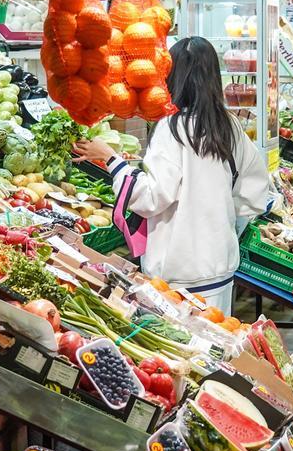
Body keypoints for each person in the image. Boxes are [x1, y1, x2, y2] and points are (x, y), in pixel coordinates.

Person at [71, 37, 270, 314]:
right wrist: (217, 217)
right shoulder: (230, 125)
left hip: (179, 272)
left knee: (186, 351)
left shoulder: (171, 128)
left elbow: (152, 197)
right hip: (219, 265)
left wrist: (111, 159)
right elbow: (254, 192)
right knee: (219, 344)